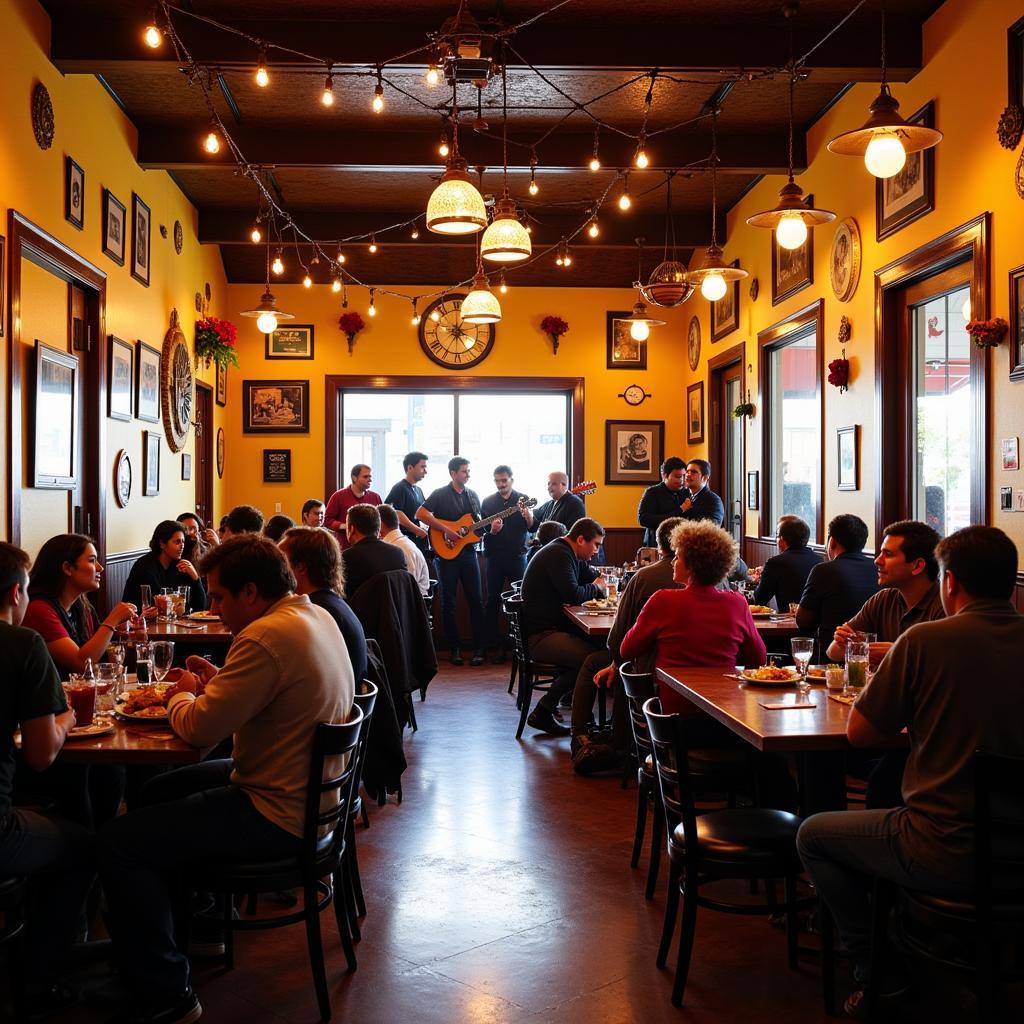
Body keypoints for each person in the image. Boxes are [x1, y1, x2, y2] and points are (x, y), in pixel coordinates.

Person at [99, 535, 355, 1024]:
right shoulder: (311, 615)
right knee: (157, 791)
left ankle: (166, 992)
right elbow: (269, 694)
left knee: (119, 841)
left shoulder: (264, 636)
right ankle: (204, 924)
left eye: (217, 597)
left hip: (274, 810)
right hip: (311, 795)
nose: (213, 607)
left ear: (251, 593)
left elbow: (199, 728)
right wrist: (218, 678)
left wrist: (181, 691)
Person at [797, 525, 1024, 1018]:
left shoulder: (925, 642)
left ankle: (878, 967)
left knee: (814, 835)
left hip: (942, 846)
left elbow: (859, 734)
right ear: (1011, 584)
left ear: (950, 583)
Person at [619, 520, 795, 810]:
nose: (673, 560)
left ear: (691, 564)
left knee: (768, 759)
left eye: (678, 555)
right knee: (775, 762)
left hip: (674, 724)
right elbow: (758, 659)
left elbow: (627, 648)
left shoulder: (662, 601)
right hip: (727, 720)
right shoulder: (736, 603)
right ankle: (773, 828)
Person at [0, 542, 95, 1014]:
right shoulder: (22, 645)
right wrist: (67, 722)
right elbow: (41, 755)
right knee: (84, 846)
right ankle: (43, 974)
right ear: (17, 593)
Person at [826, 520, 944, 811]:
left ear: (917, 566)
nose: (877, 560)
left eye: (887, 554)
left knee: (881, 776)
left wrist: (896, 653)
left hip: (926, 735)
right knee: (829, 760)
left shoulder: (943, 607)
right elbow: (833, 652)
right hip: (884, 720)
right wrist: (845, 640)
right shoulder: (884, 599)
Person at [571, 517, 684, 756]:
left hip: (651, 673)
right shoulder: (724, 587)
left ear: (660, 546)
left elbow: (618, 640)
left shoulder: (644, 579)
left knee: (597, 662)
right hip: (705, 677)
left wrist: (615, 662)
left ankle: (590, 736)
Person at [519, 518, 606, 735]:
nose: (597, 550)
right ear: (580, 539)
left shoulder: (569, 553)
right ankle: (582, 725)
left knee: (594, 653)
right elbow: (574, 594)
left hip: (552, 630)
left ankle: (546, 711)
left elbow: (590, 576)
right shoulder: (559, 554)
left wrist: (601, 579)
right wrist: (596, 588)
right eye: (595, 544)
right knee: (594, 660)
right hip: (540, 637)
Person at [416, 457, 493, 666]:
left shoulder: (473, 496)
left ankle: (479, 648)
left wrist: (491, 529)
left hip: (469, 554)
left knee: (476, 601)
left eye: (469, 471)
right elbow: (420, 513)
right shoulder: (440, 494)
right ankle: (455, 649)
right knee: (448, 603)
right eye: (464, 471)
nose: (468, 475)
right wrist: (447, 530)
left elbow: (477, 528)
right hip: (446, 556)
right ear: (452, 473)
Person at [23, 533, 135, 675]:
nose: (100, 568)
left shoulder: (81, 605)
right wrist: (112, 621)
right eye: (92, 561)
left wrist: (122, 632)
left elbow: (98, 653)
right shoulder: (38, 609)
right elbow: (82, 664)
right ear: (68, 568)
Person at [280, 526, 368, 685]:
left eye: (282, 561)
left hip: (341, 706)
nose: (277, 568)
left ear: (300, 567)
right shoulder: (332, 602)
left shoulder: (314, 612)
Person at [796, 513, 879, 661]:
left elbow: (804, 621)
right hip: (873, 657)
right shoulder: (878, 569)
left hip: (832, 657)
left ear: (832, 541)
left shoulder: (824, 570)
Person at [481, 465, 535, 662]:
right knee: (492, 601)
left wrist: (527, 515)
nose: (501, 484)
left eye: (504, 480)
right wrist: (493, 531)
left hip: (518, 557)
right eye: (497, 481)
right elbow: (481, 532)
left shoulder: (523, 498)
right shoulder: (487, 502)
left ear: (512, 479)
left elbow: (532, 526)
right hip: (494, 558)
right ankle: (493, 646)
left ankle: (520, 645)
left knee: (520, 601)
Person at [122, 520, 207, 613]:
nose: (182, 546)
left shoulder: (180, 565)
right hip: (143, 624)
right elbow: (154, 607)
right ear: (162, 544)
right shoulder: (145, 567)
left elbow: (201, 607)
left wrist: (195, 577)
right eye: (177, 542)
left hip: (173, 623)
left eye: (183, 542)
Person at [752, 515, 823, 612]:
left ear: (781, 539)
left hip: (787, 622)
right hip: (815, 624)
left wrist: (759, 579)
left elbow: (760, 599)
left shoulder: (775, 563)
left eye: (776, 536)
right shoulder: (819, 560)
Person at [341, 503, 407, 599]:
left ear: (351, 529)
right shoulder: (398, 553)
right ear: (378, 528)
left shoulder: (347, 557)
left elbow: (340, 596)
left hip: (359, 613)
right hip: (395, 612)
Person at [384, 451, 431, 558]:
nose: (425, 471)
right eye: (422, 467)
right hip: (406, 541)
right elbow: (396, 513)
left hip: (419, 541)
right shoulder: (399, 488)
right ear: (410, 467)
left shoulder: (419, 490)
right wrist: (417, 530)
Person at [325, 464, 382, 549]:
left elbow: (382, 520)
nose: (370, 480)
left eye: (370, 477)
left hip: (371, 548)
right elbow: (327, 520)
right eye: (366, 477)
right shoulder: (338, 496)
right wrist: (346, 526)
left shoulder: (375, 497)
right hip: (345, 548)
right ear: (354, 478)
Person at [379, 503, 430, 597]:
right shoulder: (403, 543)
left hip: (411, 603)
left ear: (380, 524)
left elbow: (407, 587)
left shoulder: (398, 549)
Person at [637, 456, 687, 547]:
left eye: (684, 476)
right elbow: (643, 519)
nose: (682, 480)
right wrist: (679, 511)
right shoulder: (652, 492)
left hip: (680, 544)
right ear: (664, 475)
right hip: (656, 545)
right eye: (678, 476)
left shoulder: (687, 493)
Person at [677, 459, 725, 527]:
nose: (688, 475)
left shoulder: (713, 500)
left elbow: (711, 529)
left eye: (693, 472)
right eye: (687, 471)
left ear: (705, 477)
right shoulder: (680, 495)